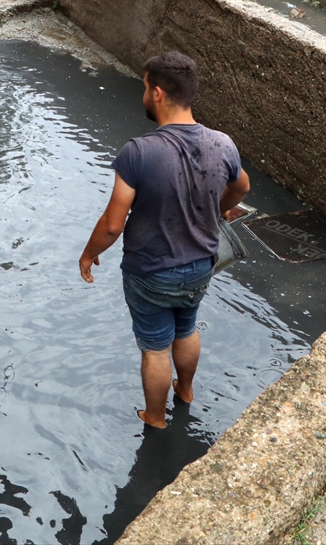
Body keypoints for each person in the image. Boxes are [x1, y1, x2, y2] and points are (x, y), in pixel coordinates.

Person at [78, 52, 250, 429]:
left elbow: (112, 224)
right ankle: (185, 391)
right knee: (186, 328)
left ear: (157, 93)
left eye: (143, 87)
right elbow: (241, 186)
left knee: (156, 346)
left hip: (151, 271)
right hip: (203, 264)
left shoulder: (137, 153)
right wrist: (218, 210)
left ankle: (155, 417)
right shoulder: (222, 143)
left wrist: (89, 255)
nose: (142, 95)